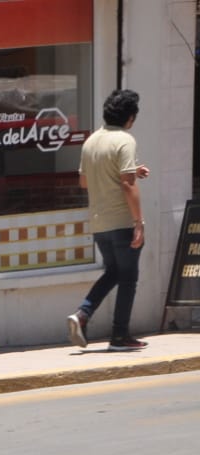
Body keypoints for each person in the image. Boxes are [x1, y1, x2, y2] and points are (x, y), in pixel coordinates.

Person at [67, 89, 151, 352]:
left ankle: (82, 314)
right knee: (128, 278)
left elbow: (84, 181)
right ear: (130, 118)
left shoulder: (92, 141)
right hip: (122, 222)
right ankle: (120, 336)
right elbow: (128, 185)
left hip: (99, 224)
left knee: (113, 272)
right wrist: (139, 222)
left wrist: (128, 170)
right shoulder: (125, 141)